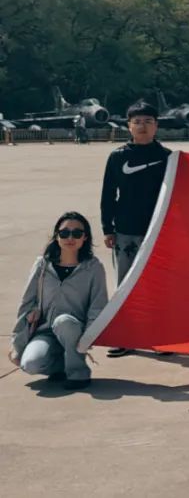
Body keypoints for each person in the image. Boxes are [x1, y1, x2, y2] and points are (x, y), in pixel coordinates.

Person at [100, 100, 172, 358]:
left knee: (158, 286)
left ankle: (159, 337)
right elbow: (108, 194)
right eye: (137, 122)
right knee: (125, 285)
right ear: (128, 125)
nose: (142, 126)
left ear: (156, 126)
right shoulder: (118, 157)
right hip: (126, 231)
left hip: (158, 231)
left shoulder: (168, 158)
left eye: (148, 121)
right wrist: (108, 228)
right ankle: (125, 337)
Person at [9, 212, 108, 389]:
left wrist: (88, 338)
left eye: (77, 233)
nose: (70, 238)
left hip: (74, 330)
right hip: (45, 332)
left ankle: (78, 373)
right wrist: (18, 345)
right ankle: (61, 365)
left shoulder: (93, 267)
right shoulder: (42, 265)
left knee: (64, 322)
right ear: (56, 236)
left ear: (85, 237)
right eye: (64, 233)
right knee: (30, 364)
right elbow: (26, 303)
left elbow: (98, 306)